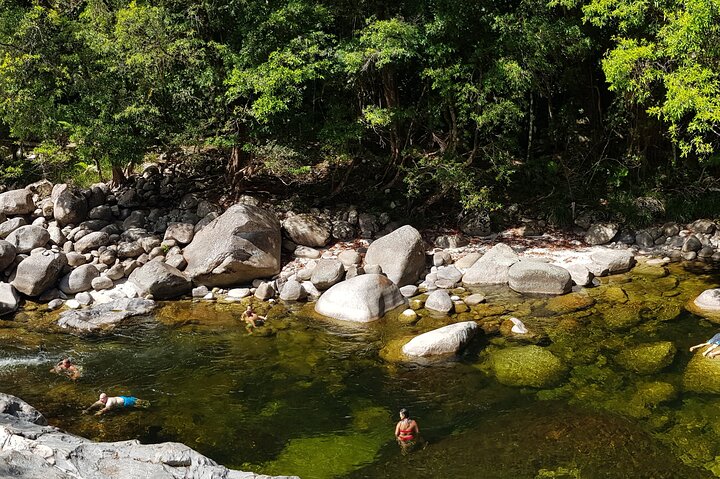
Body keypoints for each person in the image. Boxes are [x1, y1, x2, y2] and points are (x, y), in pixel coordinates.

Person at [84, 393, 150, 416]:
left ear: (106, 397)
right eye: (100, 399)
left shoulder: (109, 402)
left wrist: (97, 414)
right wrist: (88, 409)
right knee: (137, 401)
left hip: (126, 402)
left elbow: (105, 409)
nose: (101, 400)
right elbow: (94, 404)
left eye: (102, 399)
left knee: (143, 404)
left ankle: (150, 407)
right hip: (122, 398)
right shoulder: (103, 400)